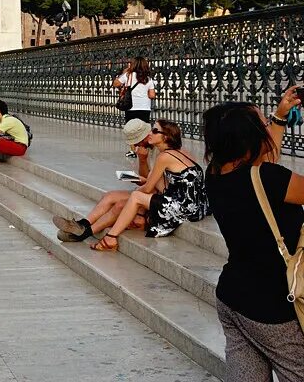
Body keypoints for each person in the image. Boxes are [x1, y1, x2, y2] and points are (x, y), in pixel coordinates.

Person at [205, 87, 304, 380]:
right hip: (272, 308)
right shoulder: (269, 179)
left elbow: (258, 168)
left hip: (232, 297)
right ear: (248, 139)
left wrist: (279, 116)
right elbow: (265, 172)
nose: (266, 130)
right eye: (261, 126)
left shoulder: (214, 174)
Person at [87, 120, 208, 251]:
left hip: (185, 207)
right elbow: (165, 184)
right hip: (195, 205)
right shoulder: (179, 152)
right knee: (126, 196)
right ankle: (86, 228)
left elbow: (148, 188)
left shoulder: (165, 156)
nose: (150, 133)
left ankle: (110, 237)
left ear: (166, 136)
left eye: (155, 131)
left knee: (136, 197)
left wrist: (136, 193)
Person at [51, 119, 162, 242]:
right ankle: (82, 224)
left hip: (156, 195)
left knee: (120, 205)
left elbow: (155, 184)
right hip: (148, 191)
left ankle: (83, 233)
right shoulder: (146, 149)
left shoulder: (161, 152)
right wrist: (142, 160)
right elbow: (147, 178)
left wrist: (142, 180)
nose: (136, 146)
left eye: (137, 142)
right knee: (110, 196)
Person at [114, 57, 156, 155]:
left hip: (131, 107)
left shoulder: (128, 76)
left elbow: (115, 84)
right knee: (145, 129)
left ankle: (133, 151)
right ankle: (146, 149)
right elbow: (152, 95)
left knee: (132, 129)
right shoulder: (148, 79)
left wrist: (124, 72)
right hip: (145, 108)